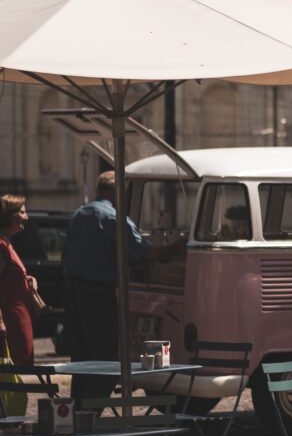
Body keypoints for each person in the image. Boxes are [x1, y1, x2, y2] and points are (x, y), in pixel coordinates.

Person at [62, 171, 184, 401]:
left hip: (72, 292)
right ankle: (89, 415)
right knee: (107, 364)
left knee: (81, 362)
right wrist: (181, 245)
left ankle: (77, 417)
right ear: (117, 191)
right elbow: (146, 253)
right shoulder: (114, 219)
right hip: (98, 295)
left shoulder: (79, 214)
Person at [0, 195, 38, 367]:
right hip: (10, 320)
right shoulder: (1, 246)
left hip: (19, 317)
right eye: (22, 212)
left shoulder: (7, 244)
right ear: (10, 216)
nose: (26, 217)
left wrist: (27, 279)